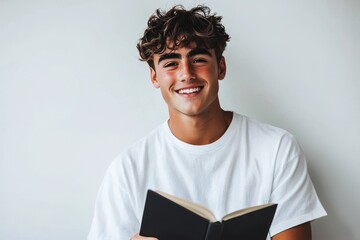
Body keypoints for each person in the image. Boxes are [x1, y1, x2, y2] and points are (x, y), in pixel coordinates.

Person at [87, 5, 326, 240]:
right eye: (171, 63)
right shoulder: (128, 170)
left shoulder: (277, 149)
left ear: (220, 67)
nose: (186, 74)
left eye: (198, 59)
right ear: (154, 77)